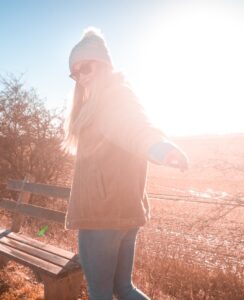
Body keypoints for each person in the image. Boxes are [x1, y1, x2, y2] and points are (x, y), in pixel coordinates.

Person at [63, 27, 189, 300]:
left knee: (100, 294)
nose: (82, 77)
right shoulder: (107, 98)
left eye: (87, 67)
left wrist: (159, 147)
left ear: (104, 64)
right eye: (76, 72)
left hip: (101, 216)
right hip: (122, 213)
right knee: (123, 289)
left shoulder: (112, 99)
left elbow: (136, 128)